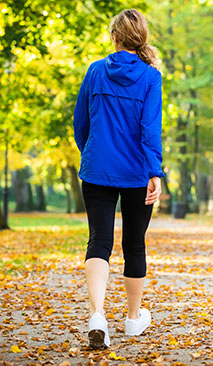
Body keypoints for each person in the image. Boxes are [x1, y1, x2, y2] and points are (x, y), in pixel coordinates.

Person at [73, 8, 164, 349]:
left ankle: (98, 315)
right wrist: (155, 171)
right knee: (134, 244)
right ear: (142, 38)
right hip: (137, 172)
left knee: (98, 241)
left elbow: (80, 121)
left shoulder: (96, 71)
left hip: (97, 170)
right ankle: (131, 319)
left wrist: (92, 152)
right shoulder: (150, 77)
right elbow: (149, 130)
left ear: (114, 36)